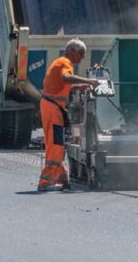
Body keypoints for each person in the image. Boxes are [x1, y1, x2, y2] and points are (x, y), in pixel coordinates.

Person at [38, 38, 100, 192]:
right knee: (56, 145)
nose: (82, 58)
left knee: (56, 143)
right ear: (72, 51)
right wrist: (89, 81)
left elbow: (64, 85)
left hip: (52, 107)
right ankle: (45, 182)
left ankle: (61, 178)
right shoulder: (65, 62)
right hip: (52, 108)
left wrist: (81, 86)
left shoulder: (60, 62)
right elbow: (66, 78)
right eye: (81, 54)